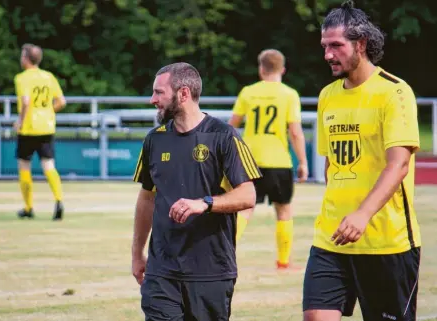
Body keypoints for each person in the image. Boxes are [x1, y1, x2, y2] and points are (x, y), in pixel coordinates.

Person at [303, 1, 421, 320]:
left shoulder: (394, 93)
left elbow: (399, 165)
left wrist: (362, 214)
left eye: (336, 46)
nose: (328, 54)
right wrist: (342, 214)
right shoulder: (328, 96)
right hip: (332, 238)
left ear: (361, 44)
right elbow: (332, 168)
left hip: (387, 243)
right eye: (325, 46)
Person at [131, 62, 262, 321]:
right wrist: (137, 254)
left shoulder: (223, 136)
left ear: (183, 94)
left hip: (211, 271)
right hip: (162, 271)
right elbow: (147, 199)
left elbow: (248, 195)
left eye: (159, 92)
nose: (152, 99)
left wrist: (205, 203)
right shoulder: (154, 139)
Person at [228, 49, 308, 269]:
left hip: (249, 160)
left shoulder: (248, 92)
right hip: (279, 161)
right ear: (282, 69)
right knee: (283, 210)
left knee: (244, 208)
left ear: (261, 69)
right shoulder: (289, 94)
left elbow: (231, 126)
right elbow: (295, 132)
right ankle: (283, 261)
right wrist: (303, 162)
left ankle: (224, 253)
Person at [14, 43, 66, 220]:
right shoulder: (48, 76)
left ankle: (28, 208)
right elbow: (61, 101)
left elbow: (26, 102)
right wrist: (47, 112)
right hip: (47, 127)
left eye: (22, 55)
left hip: (28, 128)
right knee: (49, 165)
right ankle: (59, 201)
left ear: (27, 59)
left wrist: (19, 122)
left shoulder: (22, 78)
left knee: (24, 165)